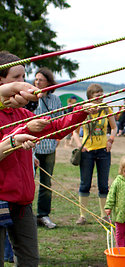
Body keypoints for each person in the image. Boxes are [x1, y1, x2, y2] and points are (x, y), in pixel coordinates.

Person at [0, 50, 97, 266]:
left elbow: (55, 128)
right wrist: (19, 135)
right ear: (1, 81)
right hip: (1, 200)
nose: (23, 84)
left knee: (29, 261)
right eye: (16, 78)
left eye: (24, 77)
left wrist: (81, 111)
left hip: (23, 203)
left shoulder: (24, 114)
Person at [73, 83, 118, 225]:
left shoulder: (106, 109)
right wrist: (81, 146)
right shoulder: (83, 110)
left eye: (101, 94)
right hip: (88, 152)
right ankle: (82, 215)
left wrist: (111, 140)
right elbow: (74, 132)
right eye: (97, 94)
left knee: (103, 185)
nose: (100, 97)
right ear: (90, 97)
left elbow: (114, 127)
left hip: (104, 151)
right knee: (85, 184)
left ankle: (104, 215)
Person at [32, 67, 63, 229]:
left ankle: (43, 215)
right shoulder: (29, 98)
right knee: (28, 182)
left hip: (49, 147)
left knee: (46, 183)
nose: (37, 82)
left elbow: (60, 120)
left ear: (49, 83)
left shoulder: (55, 100)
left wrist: (57, 138)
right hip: (31, 148)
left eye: (41, 80)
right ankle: (26, 217)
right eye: (36, 79)